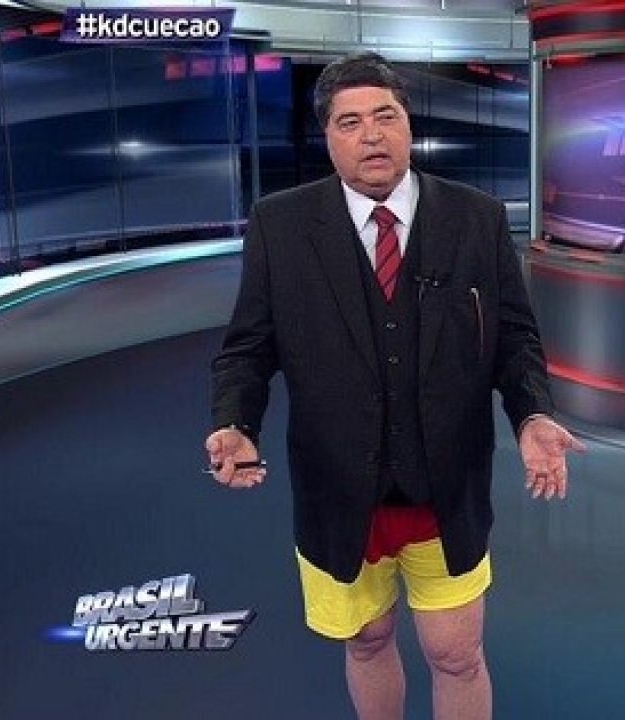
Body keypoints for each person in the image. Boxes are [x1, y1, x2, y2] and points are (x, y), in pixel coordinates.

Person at [205, 52, 585, 720]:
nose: (371, 135)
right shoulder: (280, 225)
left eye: (385, 116)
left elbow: (515, 338)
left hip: (446, 485)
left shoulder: (476, 217)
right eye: (350, 122)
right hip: (338, 488)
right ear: (328, 137)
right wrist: (236, 422)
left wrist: (532, 415)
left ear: (409, 124)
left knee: (457, 654)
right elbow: (250, 346)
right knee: (367, 641)